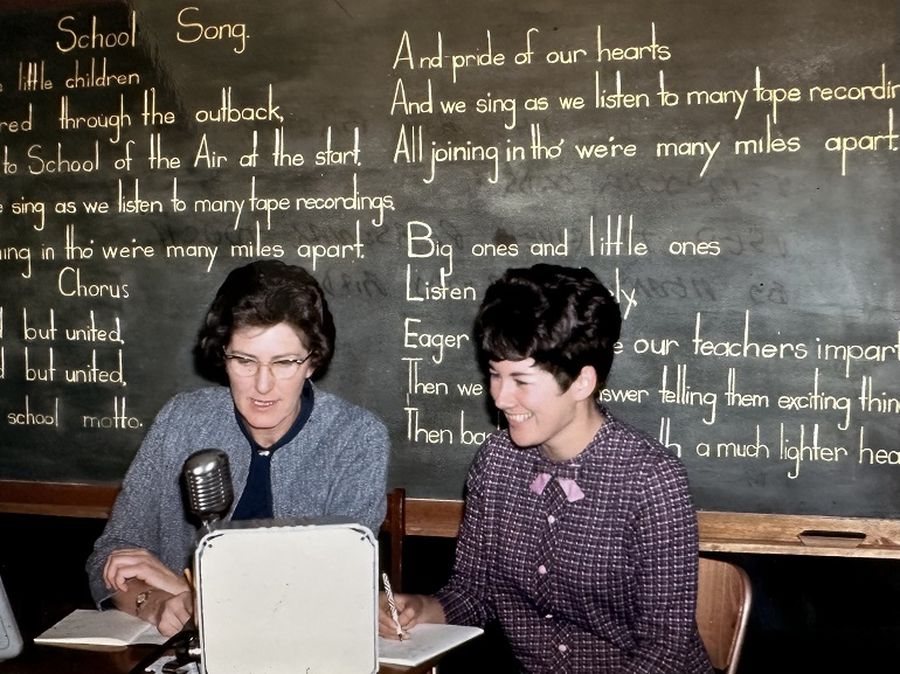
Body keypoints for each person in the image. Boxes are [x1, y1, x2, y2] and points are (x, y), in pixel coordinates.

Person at [379, 264, 713, 673]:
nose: (500, 398)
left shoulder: (652, 479)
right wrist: (419, 608)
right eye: (495, 375)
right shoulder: (496, 462)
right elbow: (473, 593)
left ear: (581, 383)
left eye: (521, 380)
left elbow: (665, 650)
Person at [87, 260, 389, 636]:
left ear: (312, 362)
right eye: (245, 360)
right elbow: (113, 555)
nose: (262, 385)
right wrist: (156, 603)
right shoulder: (181, 420)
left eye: (284, 362)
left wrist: (190, 591)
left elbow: (334, 590)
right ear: (223, 354)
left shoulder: (356, 437)